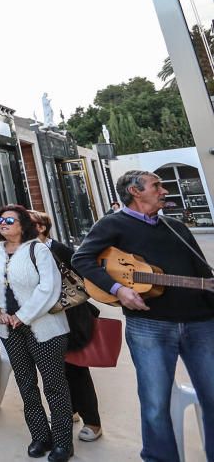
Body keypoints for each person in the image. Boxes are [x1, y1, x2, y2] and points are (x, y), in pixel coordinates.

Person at [73, 170, 214, 462]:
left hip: (201, 323)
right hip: (150, 326)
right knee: (155, 403)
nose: (163, 190)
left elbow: (202, 273)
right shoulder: (112, 224)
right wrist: (119, 289)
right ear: (135, 192)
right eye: (157, 185)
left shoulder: (176, 227)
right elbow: (82, 259)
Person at [0, 205, 72, 462]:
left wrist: (23, 316)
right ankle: (40, 436)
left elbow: (49, 288)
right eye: (0, 219)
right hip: (8, 330)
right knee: (26, 384)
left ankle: (63, 443)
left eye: (10, 219)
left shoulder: (38, 249)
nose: (3, 223)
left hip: (44, 329)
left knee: (54, 386)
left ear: (23, 224)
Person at [29, 210, 103, 444]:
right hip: (46, 319)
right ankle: (68, 411)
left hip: (71, 317)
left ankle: (92, 421)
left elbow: (84, 276)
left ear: (41, 228)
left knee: (77, 369)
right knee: (55, 370)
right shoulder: (26, 252)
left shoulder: (59, 249)